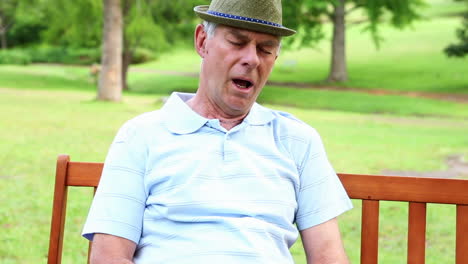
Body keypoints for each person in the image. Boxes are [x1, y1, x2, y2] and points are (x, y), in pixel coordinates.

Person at [82, 0, 353, 263]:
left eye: (265, 49)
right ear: (202, 42)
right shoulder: (140, 135)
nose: (251, 59)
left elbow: (328, 257)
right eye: (237, 42)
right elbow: (109, 256)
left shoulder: (297, 140)